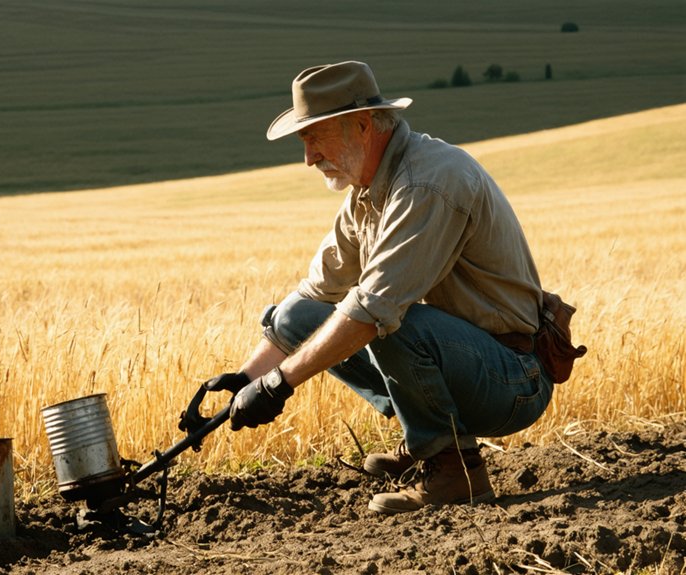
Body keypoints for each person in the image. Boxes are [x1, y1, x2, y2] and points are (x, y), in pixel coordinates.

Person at [204, 60, 552, 515]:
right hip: (466, 364)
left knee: (387, 322)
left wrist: (279, 384)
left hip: (512, 378)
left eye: (314, 138)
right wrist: (248, 378)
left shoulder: (428, 182)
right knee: (296, 318)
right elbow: (316, 293)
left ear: (363, 126)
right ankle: (426, 439)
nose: (308, 158)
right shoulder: (367, 192)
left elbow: (373, 309)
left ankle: (456, 471)